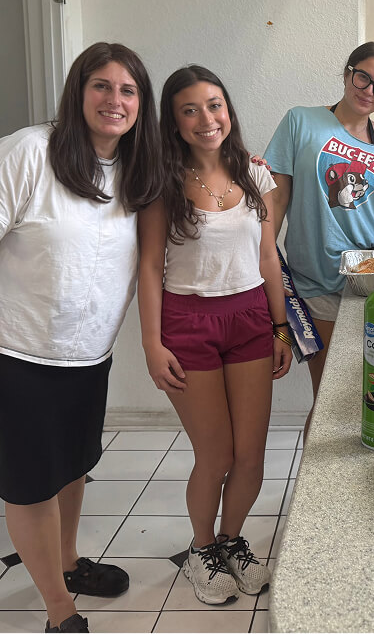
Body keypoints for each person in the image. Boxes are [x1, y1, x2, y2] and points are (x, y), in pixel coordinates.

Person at [0, 42, 162, 634]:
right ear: (78, 90)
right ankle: (58, 609)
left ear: (141, 104)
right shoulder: (28, 153)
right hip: (17, 355)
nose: (114, 101)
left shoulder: (132, 166)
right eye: (102, 86)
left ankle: (67, 564)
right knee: (30, 480)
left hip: (87, 354)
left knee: (72, 467)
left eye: (128, 90)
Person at [137, 65, 292, 605]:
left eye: (215, 105)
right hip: (188, 323)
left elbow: (268, 256)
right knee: (216, 454)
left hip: (251, 316)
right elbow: (150, 266)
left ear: (229, 110)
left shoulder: (255, 174)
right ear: (174, 122)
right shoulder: (162, 181)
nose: (207, 118)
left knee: (251, 455)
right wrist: (152, 345)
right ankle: (202, 551)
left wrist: (280, 326)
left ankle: (231, 541)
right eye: (190, 109)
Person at [263, 42, 374, 424]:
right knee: (330, 400)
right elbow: (276, 201)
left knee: (372, 391)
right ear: (347, 73)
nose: (369, 90)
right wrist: (266, 267)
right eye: (363, 77)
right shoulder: (300, 120)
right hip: (317, 284)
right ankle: (317, 483)